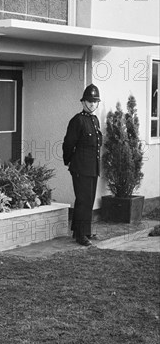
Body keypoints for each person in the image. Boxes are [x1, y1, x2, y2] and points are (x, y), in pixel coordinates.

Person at [62, 83, 103, 246]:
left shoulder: (94, 120)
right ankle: (80, 235)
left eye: (95, 101)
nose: (92, 104)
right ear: (83, 102)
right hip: (80, 167)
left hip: (92, 167)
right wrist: (71, 162)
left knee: (90, 200)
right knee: (83, 200)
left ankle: (83, 231)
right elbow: (68, 144)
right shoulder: (77, 120)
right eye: (89, 101)